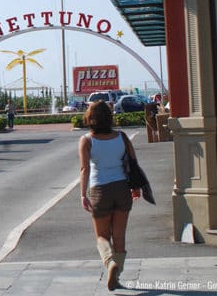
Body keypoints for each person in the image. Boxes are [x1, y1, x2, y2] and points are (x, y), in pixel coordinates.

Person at [78, 100, 138, 291]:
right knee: (119, 236)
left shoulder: (86, 140)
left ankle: (109, 262)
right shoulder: (122, 137)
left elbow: (84, 169)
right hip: (122, 188)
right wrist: (136, 187)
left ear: (90, 118)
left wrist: (82, 194)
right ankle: (117, 275)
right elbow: (133, 163)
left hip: (99, 190)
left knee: (102, 237)